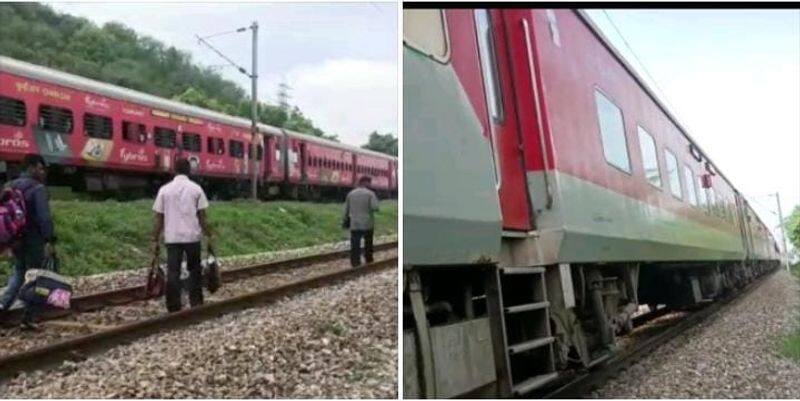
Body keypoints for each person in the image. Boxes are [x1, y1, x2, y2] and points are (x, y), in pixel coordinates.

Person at [0, 154, 55, 327]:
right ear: (31, 168)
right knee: (35, 276)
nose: (42, 172)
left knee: (19, 272)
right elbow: (43, 217)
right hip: (33, 239)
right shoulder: (38, 188)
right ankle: (29, 317)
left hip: (15, 238)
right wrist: (49, 239)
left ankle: (2, 305)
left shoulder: (10, 186)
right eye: (40, 168)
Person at [151, 158, 213, 312]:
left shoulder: (164, 190)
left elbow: (159, 217)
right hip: (192, 237)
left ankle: (173, 306)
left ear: (174, 170)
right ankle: (196, 303)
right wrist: (209, 234)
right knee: (194, 270)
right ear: (189, 170)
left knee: (173, 272)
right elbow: (202, 216)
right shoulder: (196, 189)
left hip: (172, 237)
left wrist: (155, 238)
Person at [344, 176, 379, 267]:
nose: (370, 184)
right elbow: (375, 208)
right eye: (370, 182)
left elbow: (346, 210)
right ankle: (368, 259)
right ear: (366, 182)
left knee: (355, 243)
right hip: (367, 223)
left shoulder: (350, 194)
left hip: (354, 223)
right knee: (368, 242)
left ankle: (355, 262)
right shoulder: (370, 194)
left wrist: (345, 220)